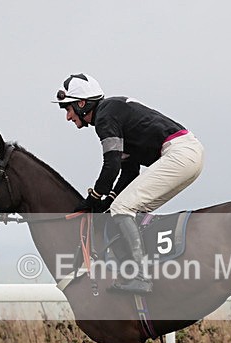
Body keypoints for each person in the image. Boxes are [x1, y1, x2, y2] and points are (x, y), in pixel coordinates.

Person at [53, 73, 204, 293]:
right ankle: (149, 269)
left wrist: (93, 199)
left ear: (82, 104)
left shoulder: (104, 118)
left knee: (122, 209)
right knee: (125, 208)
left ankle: (141, 277)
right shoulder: (111, 110)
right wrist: (109, 198)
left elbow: (111, 164)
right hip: (187, 153)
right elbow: (130, 171)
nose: (68, 117)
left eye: (68, 109)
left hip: (179, 154)